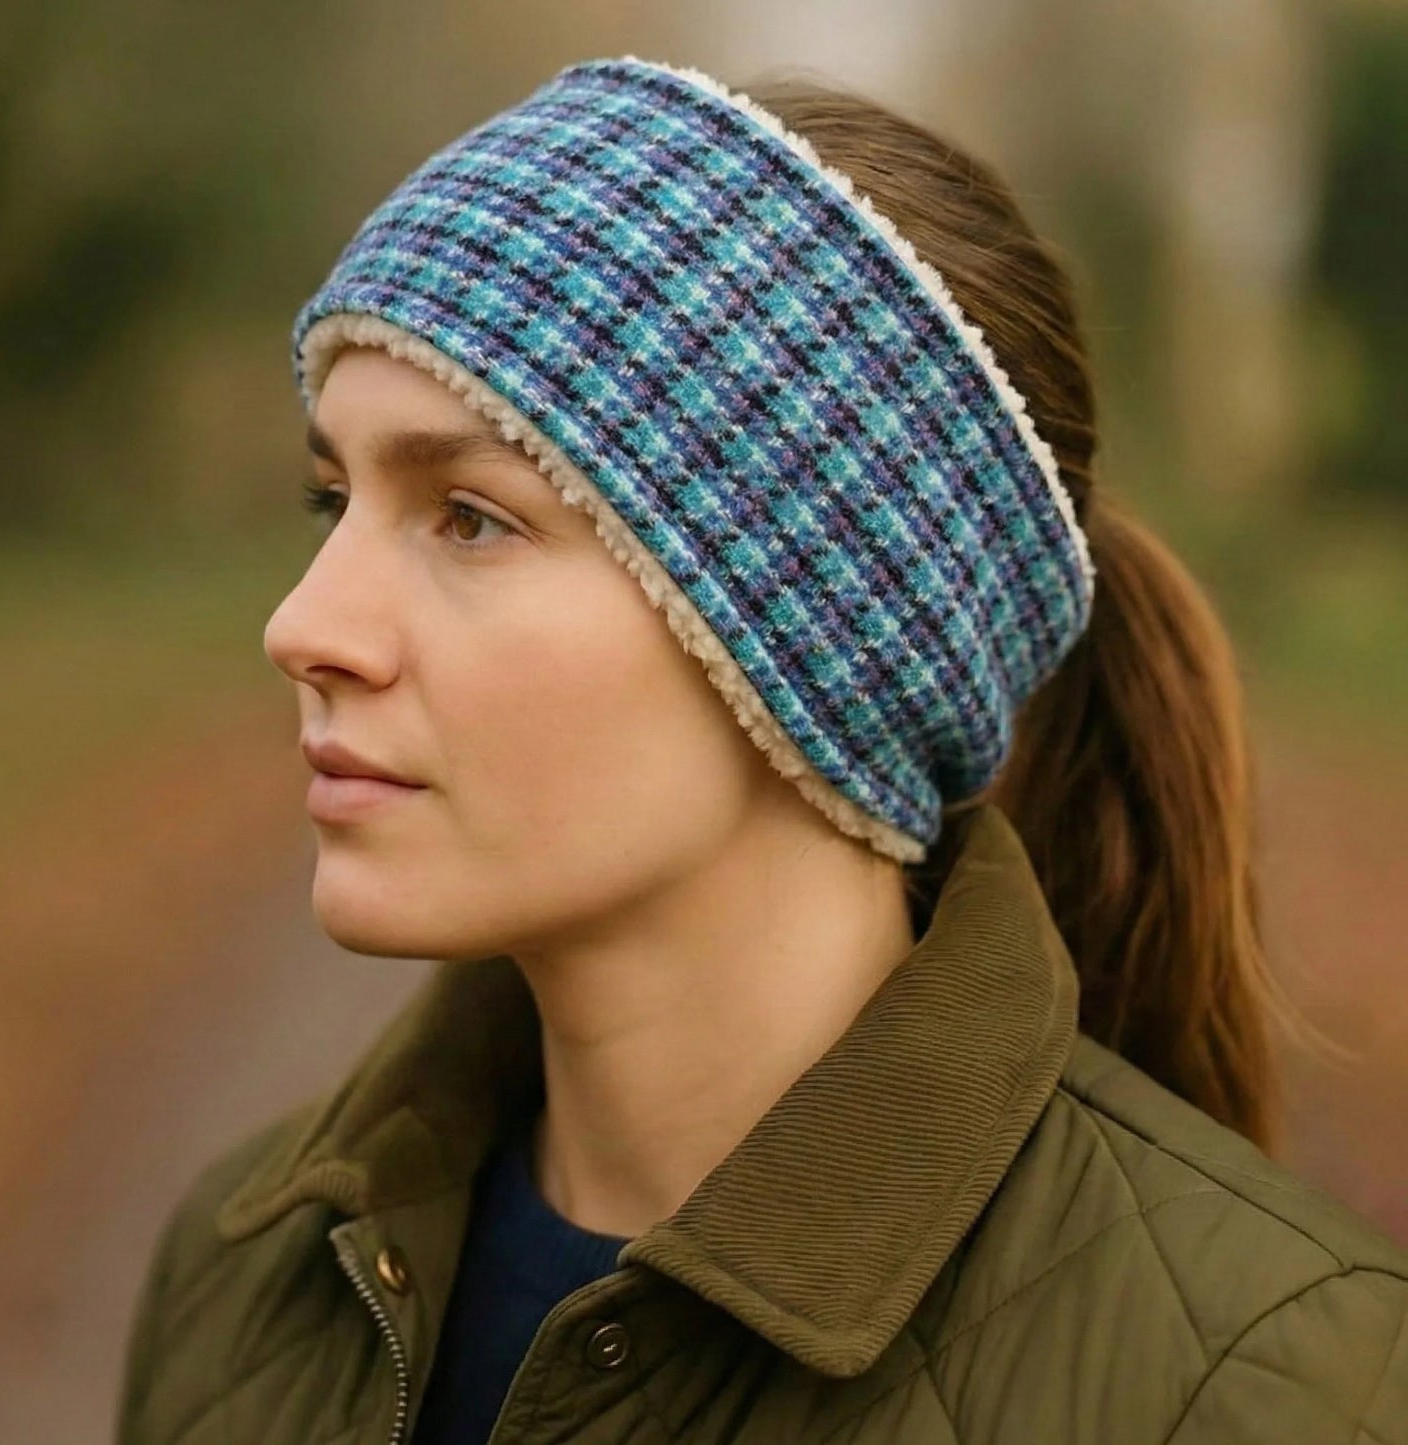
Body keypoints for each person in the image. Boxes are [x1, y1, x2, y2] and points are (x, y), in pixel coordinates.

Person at [115, 55, 1407, 1445]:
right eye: (333, 498)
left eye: (469, 516)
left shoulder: (1265, 1386)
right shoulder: (251, 1270)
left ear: (824, 640)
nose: (306, 624)